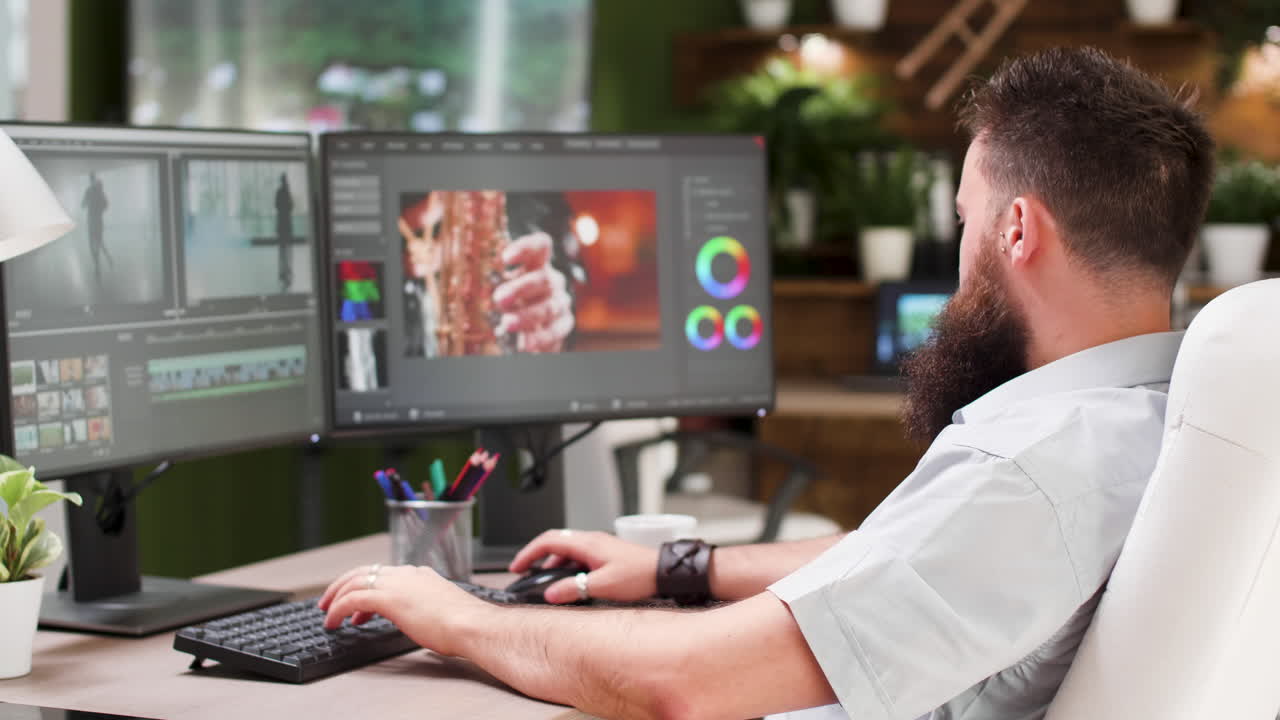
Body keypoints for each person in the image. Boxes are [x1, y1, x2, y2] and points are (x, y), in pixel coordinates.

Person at [320, 47, 1213, 720]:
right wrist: (681, 569)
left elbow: (685, 681)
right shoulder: (1156, 423)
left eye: (965, 221)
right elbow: (900, 563)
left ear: (1017, 230)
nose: (961, 251)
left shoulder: (1031, 473)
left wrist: (452, 615)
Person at [81, 171, 113, 283]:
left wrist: (89, 204)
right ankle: (108, 258)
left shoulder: (89, 191)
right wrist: (100, 211)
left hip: (91, 220)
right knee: (99, 241)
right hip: (99, 220)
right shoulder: (100, 191)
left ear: (90, 180)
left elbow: (83, 205)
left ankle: (97, 266)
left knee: (92, 243)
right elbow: (107, 204)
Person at [275, 173, 295, 293]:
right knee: (287, 250)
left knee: (282, 250)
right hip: (286, 225)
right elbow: (291, 206)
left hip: (282, 225)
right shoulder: (287, 192)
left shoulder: (280, 192)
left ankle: (283, 272)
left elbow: (276, 206)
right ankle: (286, 271)